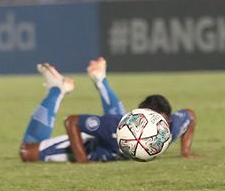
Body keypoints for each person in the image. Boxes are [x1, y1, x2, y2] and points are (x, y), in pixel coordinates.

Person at [19, 57, 196, 163]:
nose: (150, 129)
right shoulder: (116, 126)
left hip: (114, 131)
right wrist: (83, 161)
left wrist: (185, 151)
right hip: (91, 146)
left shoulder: (169, 130)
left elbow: (191, 115)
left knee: (116, 123)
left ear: (168, 121)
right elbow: (71, 121)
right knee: (26, 152)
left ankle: (100, 78)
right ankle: (57, 89)